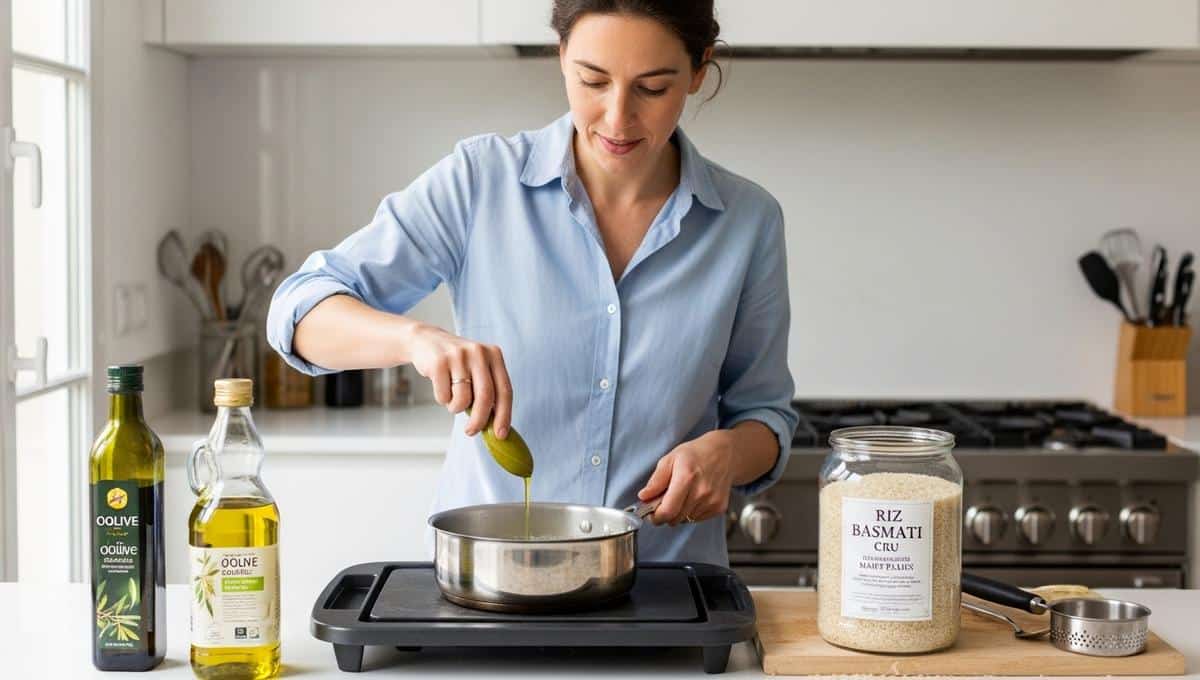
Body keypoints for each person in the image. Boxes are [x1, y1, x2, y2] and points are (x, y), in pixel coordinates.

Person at [266, 0, 798, 565]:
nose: (617, 118)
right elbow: (297, 311)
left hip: (666, 591)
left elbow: (766, 417)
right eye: (592, 80)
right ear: (561, 55)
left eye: (652, 88)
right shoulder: (479, 183)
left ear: (697, 71)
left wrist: (726, 452)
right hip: (490, 587)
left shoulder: (746, 222)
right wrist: (417, 340)